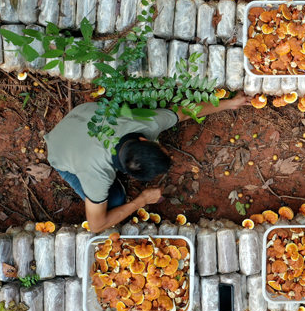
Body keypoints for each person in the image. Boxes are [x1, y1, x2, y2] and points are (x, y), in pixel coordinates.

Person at [45, 94, 248, 232]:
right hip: (59, 152)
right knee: (115, 201)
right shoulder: (96, 175)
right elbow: (96, 225)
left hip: (80, 118)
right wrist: (141, 201)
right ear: (144, 139)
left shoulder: (148, 122)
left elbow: (185, 112)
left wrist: (230, 103)